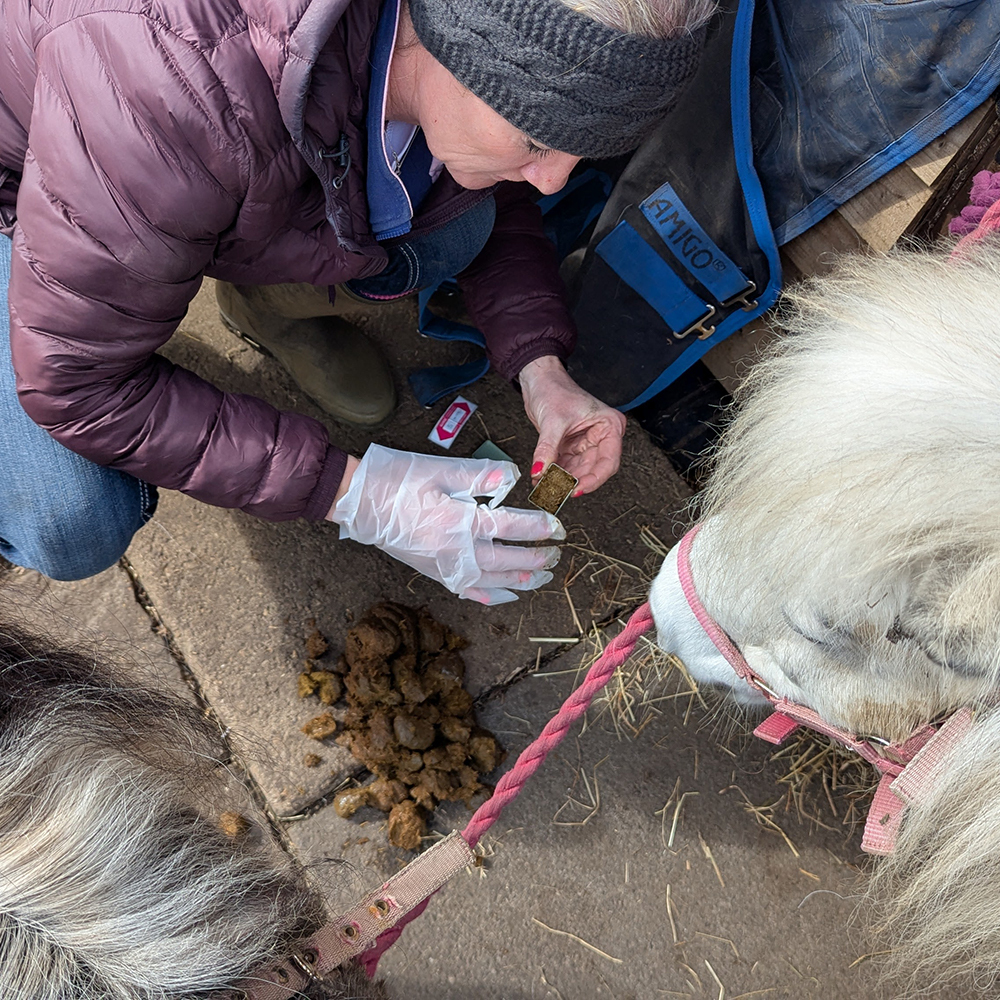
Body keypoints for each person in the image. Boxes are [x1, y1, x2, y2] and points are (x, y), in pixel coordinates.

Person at [0, 0, 710, 602]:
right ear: (457, 42)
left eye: (576, 150)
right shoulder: (169, 102)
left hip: (162, 173)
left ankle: (258, 303)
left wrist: (541, 367)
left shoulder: (441, 46)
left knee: (455, 227)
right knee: (72, 518)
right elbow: (75, 386)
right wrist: (357, 495)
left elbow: (491, 188)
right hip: (37, 178)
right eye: (531, 139)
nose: (554, 182)